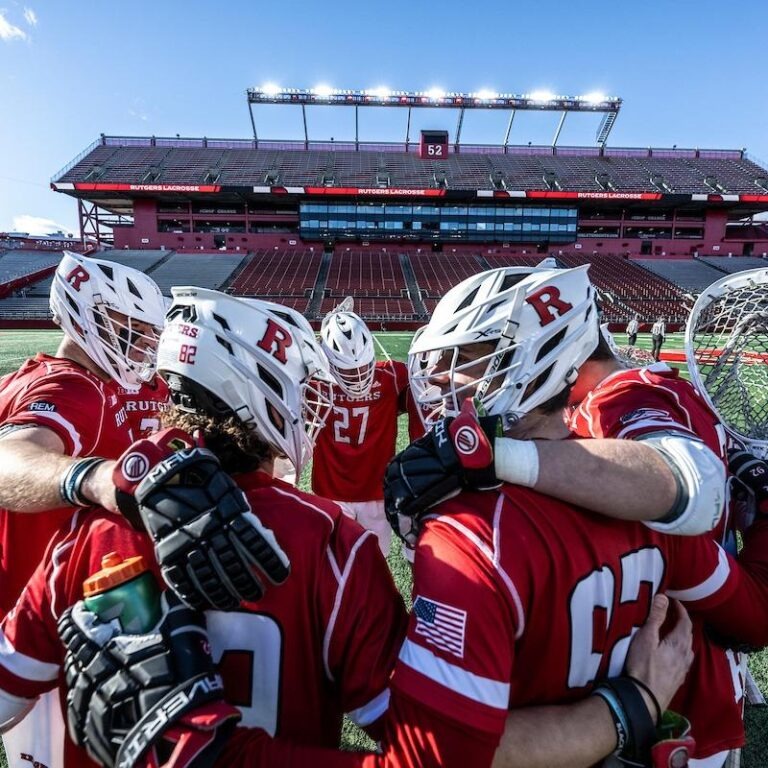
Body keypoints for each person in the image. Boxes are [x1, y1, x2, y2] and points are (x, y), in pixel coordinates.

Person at [56, 267, 768, 768]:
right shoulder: (645, 512)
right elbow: (747, 615)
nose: (454, 387)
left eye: (475, 362)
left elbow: (442, 752)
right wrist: (638, 704)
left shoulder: (466, 536)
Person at [0, 288, 407, 768]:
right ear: (256, 391)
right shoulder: (332, 541)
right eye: (298, 384)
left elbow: (8, 694)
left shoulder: (92, 531)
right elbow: (418, 742)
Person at [385, 267, 743, 764]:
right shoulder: (613, 476)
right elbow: (745, 611)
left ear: (542, 358)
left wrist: (492, 456)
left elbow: (697, 491)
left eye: (468, 358)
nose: (443, 379)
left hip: (658, 710)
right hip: (663, 705)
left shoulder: (624, 403)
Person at [0, 251, 167, 618]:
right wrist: (96, 478)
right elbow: (7, 461)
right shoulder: (74, 387)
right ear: (90, 318)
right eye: (136, 330)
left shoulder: (52, 379)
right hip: (42, 608)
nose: (147, 344)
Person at [313, 299, 423, 555]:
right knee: (366, 564)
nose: (358, 376)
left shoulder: (314, 384)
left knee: (342, 565)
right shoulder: (393, 376)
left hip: (346, 490)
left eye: (361, 368)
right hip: (354, 492)